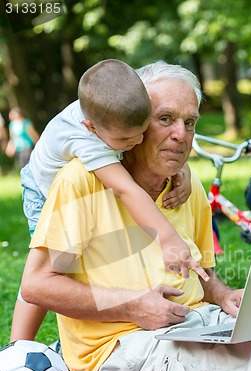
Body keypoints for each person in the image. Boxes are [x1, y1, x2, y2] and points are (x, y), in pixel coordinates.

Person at [17, 61, 251, 371]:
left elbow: (200, 273)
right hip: (123, 347)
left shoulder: (187, 184)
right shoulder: (81, 181)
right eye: (165, 119)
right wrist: (132, 305)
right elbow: (37, 285)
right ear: (133, 121)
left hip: (199, 324)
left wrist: (224, 295)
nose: (181, 135)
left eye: (190, 122)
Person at [10, 59, 208, 344]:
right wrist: (168, 239)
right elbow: (126, 189)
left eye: (142, 131)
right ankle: (18, 347)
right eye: (129, 138)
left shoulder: (116, 109)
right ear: (92, 127)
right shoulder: (87, 142)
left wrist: (181, 169)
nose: (139, 140)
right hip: (42, 187)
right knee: (55, 264)